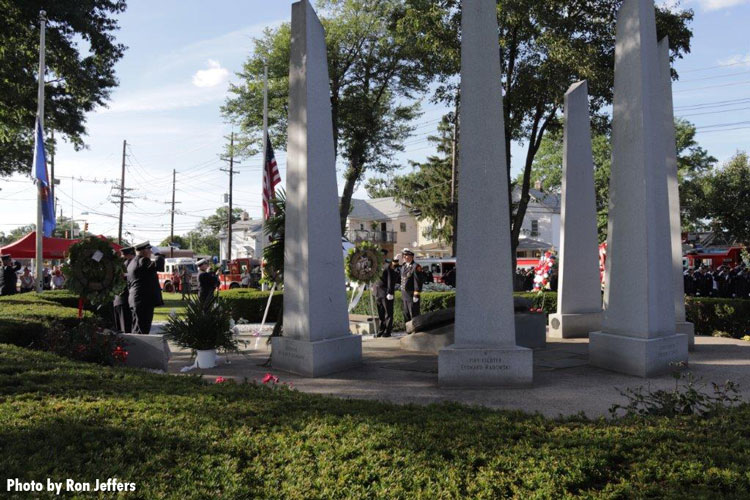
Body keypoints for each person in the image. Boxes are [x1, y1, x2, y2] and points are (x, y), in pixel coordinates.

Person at [127, 241, 161, 334]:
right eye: (149, 249)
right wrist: (158, 254)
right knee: (143, 329)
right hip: (143, 300)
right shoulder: (143, 260)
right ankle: (140, 349)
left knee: (137, 328)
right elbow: (158, 266)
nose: (151, 252)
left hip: (136, 299)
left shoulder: (133, 261)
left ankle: (135, 348)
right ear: (143, 250)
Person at [373, 249, 398, 337]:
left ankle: (388, 331)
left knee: (388, 313)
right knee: (381, 313)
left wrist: (390, 292)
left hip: (385, 293)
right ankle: (381, 330)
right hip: (377, 292)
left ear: (384, 256)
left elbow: (391, 280)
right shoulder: (375, 266)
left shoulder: (388, 266)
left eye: (381, 255)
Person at [113, 247, 136, 333]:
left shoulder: (119, 264)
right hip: (124, 300)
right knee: (126, 329)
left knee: (120, 329)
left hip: (117, 300)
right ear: (131, 254)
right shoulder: (127, 264)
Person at [399, 248, 422, 324]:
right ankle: (408, 331)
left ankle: (416, 332)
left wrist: (416, 294)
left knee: (414, 314)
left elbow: (418, 281)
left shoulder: (416, 266)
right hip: (404, 294)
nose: (404, 257)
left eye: (406, 255)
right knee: (406, 314)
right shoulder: (404, 266)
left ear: (411, 256)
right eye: (404, 255)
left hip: (412, 295)